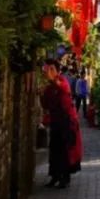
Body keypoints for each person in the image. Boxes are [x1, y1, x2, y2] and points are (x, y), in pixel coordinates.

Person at [40, 58, 82, 188]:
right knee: (54, 149)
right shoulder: (49, 87)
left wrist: (53, 81)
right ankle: (55, 176)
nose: (49, 72)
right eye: (47, 69)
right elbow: (45, 104)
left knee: (65, 149)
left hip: (66, 121)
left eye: (52, 69)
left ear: (57, 71)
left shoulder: (62, 81)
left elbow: (64, 89)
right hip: (55, 121)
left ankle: (65, 177)